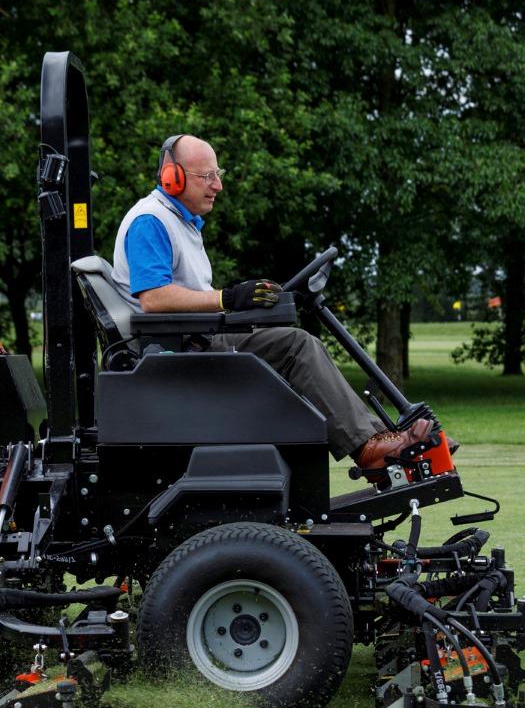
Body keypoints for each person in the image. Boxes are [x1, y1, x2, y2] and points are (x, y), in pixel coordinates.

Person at [110, 133, 434, 470]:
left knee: (291, 339)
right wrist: (229, 298)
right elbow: (154, 298)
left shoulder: (180, 222)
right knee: (297, 346)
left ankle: (382, 439)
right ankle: (370, 448)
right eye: (207, 176)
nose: (217, 185)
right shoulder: (151, 221)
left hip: (189, 342)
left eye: (219, 174)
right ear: (172, 177)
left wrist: (244, 304)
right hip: (178, 354)